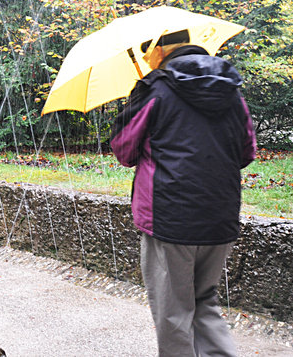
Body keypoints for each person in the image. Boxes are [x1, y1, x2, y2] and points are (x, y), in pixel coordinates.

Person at [110, 32, 256, 357]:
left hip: (169, 219)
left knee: (173, 313)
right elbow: (246, 152)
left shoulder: (155, 89)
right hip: (220, 217)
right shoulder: (231, 91)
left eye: (149, 52)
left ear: (159, 50)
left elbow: (123, 150)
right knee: (204, 302)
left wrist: (137, 98)